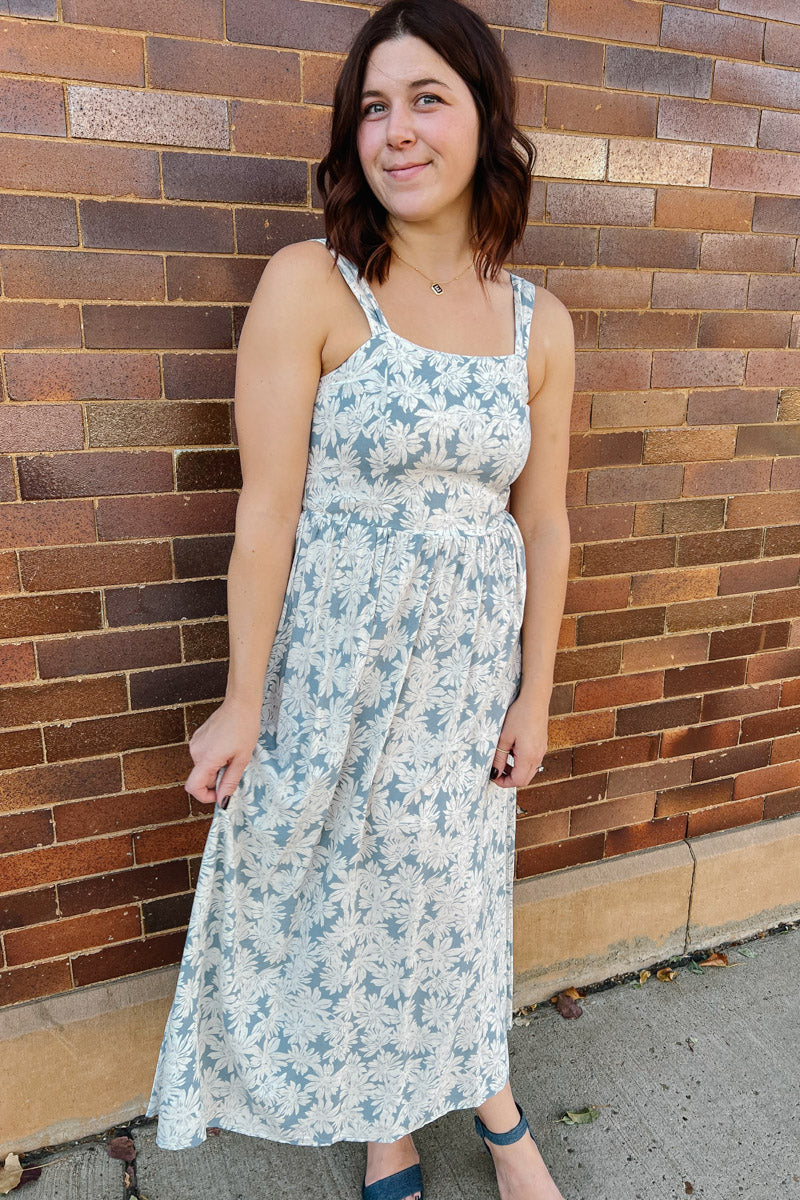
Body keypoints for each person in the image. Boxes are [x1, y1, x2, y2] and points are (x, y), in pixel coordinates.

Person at [145, 0, 574, 1197]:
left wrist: (533, 696)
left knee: (450, 893)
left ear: (484, 120)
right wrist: (242, 700)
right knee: (349, 893)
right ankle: (393, 1123)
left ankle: (492, 1116)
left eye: (426, 97)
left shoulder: (540, 324)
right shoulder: (312, 286)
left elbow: (541, 522)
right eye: (372, 107)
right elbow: (265, 508)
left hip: (464, 676)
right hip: (335, 664)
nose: (396, 129)